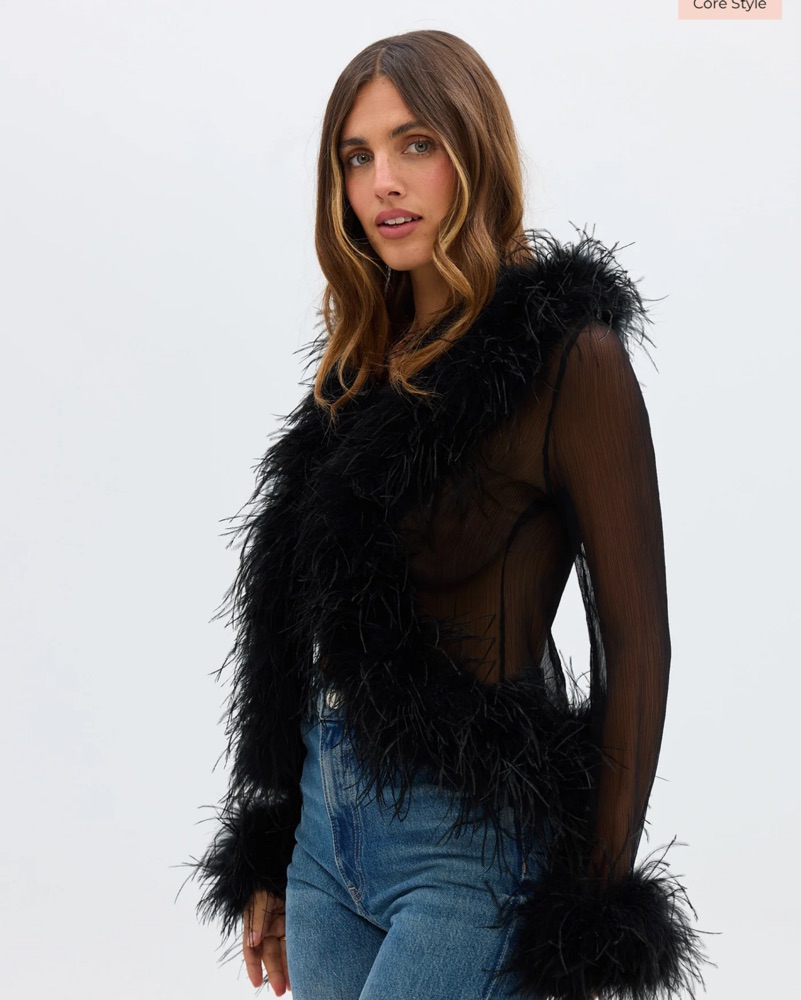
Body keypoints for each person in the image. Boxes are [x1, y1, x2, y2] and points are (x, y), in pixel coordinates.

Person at [193, 29, 705, 1000]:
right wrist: (272, 834)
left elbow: (638, 645)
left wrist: (587, 918)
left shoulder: (568, 359)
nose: (382, 181)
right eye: (357, 156)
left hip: (469, 850)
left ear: (473, 149)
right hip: (323, 841)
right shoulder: (359, 370)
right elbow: (301, 626)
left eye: (414, 144)